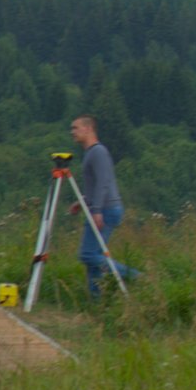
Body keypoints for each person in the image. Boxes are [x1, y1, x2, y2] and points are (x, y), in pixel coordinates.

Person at [70, 115, 140, 299]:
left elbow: (104, 182)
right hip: (101, 208)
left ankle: (136, 277)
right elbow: (95, 186)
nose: (72, 132)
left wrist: (97, 210)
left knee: (88, 254)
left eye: (76, 128)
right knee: (93, 257)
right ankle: (96, 300)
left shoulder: (98, 152)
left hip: (106, 210)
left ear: (88, 129)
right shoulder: (91, 153)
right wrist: (83, 201)